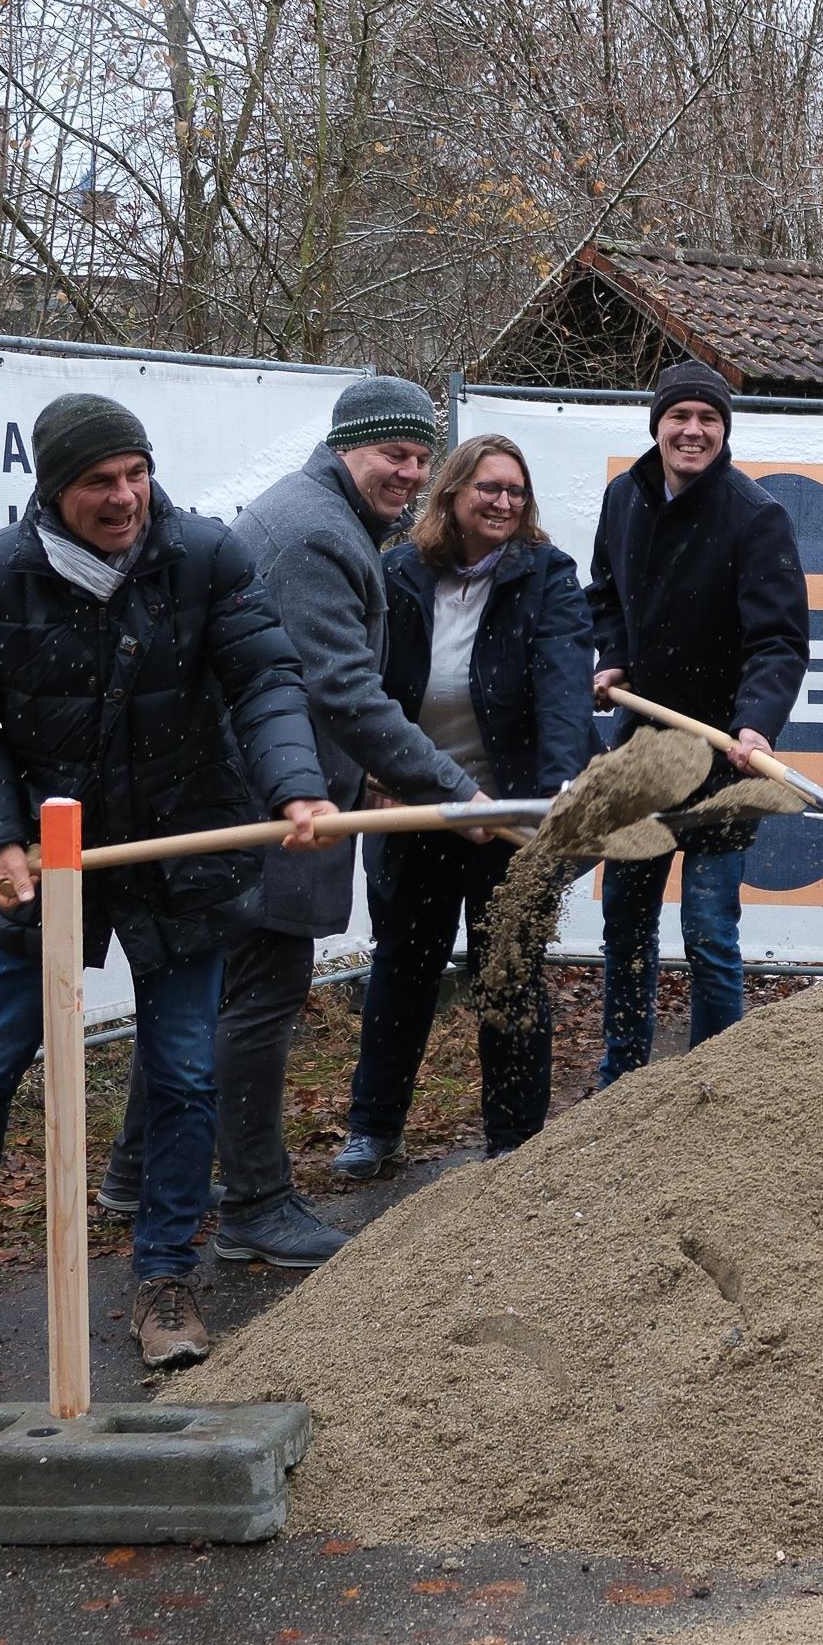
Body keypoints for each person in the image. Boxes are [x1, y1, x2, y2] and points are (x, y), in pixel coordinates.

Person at [0, 393, 334, 1370]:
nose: (127, 495)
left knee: (182, 1072)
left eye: (136, 472)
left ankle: (164, 1274)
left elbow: (265, 679)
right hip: (48, 858)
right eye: (101, 480)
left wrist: (296, 784)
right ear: (55, 487)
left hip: (182, 852)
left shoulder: (206, 556)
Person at [102, 375, 485, 1247]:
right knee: (258, 999)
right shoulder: (315, 535)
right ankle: (253, 1205)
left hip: (263, 790)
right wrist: (457, 793)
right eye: (395, 454)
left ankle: (133, 1173)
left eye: (424, 459)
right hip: (266, 804)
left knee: (211, 993)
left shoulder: (327, 518)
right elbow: (342, 691)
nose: (410, 473)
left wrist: (377, 775)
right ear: (348, 446)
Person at [336, 435, 595, 1168]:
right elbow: (366, 688)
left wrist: (555, 796)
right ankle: (374, 1128)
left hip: (511, 812)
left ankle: (514, 1142)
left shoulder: (546, 576)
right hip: (416, 807)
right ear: (451, 493)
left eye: (516, 491)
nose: (504, 502)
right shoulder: (397, 572)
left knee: (506, 968)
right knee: (403, 967)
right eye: (489, 488)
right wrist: (376, 780)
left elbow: (564, 688)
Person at [585, 360, 808, 1083]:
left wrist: (755, 726)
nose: (693, 430)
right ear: (657, 424)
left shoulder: (754, 515)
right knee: (625, 920)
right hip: (643, 755)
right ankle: (624, 1076)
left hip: (722, 763)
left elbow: (778, 641)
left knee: (710, 932)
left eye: (708, 418)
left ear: (724, 430)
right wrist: (615, 659)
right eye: (680, 416)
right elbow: (604, 593)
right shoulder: (625, 498)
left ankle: (718, 1086)